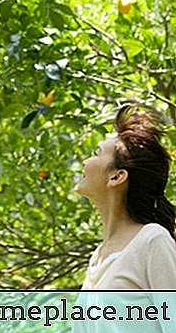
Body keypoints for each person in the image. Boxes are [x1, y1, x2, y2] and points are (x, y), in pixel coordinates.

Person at [75, 103, 176, 289]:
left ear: (117, 177)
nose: (85, 161)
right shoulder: (98, 256)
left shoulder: (152, 240)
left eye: (96, 154)